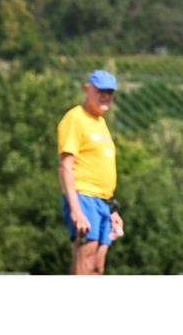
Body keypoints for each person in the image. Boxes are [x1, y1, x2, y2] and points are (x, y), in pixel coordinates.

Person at [57, 69, 125, 275]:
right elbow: (65, 166)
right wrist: (76, 210)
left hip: (103, 202)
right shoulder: (75, 118)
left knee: (97, 267)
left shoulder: (101, 123)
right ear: (87, 89)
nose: (105, 96)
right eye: (100, 91)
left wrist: (112, 208)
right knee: (84, 262)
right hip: (84, 198)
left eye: (110, 92)